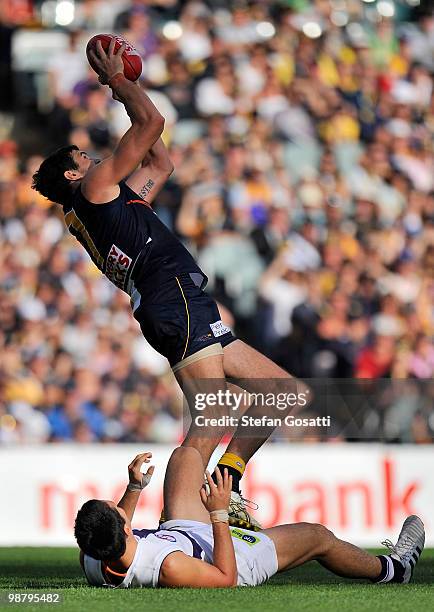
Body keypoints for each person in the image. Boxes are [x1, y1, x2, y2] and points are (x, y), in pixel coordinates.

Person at [32, 39, 308, 529]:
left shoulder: (106, 203)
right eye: (84, 156)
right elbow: (152, 125)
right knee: (214, 418)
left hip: (179, 299)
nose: (94, 158)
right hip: (172, 298)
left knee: (281, 391)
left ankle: (230, 479)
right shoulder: (94, 191)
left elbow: (160, 163)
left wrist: (130, 85)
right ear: (73, 173)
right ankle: (180, 527)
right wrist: (119, 82)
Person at [75, 448, 425, 588]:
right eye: (117, 506)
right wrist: (219, 513)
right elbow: (225, 579)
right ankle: (394, 569)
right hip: (230, 560)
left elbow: (118, 528)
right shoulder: (167, 568)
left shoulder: (92, 555)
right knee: (317, 536)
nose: (120, 504)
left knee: (184, 456)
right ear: (123, 525)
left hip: (181, 536)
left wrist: (135, 488)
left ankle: (213, 405)